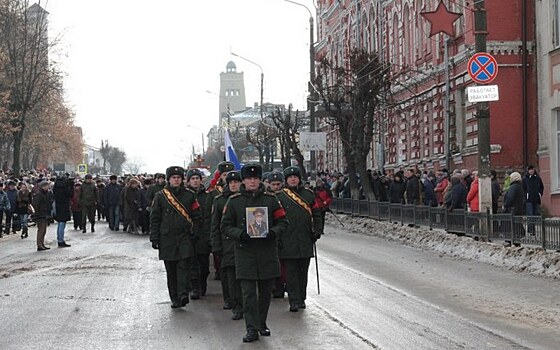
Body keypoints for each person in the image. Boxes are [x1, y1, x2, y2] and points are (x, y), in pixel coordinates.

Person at [221, 163, 288, 343]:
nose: (252, 181)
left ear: (260, 180)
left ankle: (261, 323)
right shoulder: (234, 201)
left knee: (266, 292)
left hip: (267, 251)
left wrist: (273, 232)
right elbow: (225, 226)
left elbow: (283, 221)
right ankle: (251, 328)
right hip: (245, 253)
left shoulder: (271, 199)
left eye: (256, 178)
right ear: (243, 180)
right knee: (249, 293)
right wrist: (240, 234)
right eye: (249, 178)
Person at [150, 166, 201, 309]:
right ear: (169, 179)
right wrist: (154, 237)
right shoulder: (160, 196)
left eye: (178, 177)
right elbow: (155, 218)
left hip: (184, 237)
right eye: (173, 177)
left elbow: (197, 217)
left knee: (184, 266)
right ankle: (174, 297)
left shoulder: (190, 195)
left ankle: (183, 294)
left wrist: (195, 233)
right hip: (166, 238)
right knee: (171, 270)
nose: (176, 180)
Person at [275, 166, 323, 312]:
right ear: (286, 180)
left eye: (295, 177)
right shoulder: (280, 196)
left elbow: (317, 214)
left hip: (305, 239)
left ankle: (301, 297)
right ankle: (294, 300)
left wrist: (317, 231)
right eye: (290, 177)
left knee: (303, 271)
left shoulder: (309, 195)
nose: (293, 179)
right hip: (287, 239)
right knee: (291, 273)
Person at [210, 170, 243, 319]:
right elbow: (215, 225)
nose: (234, 184)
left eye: (237, 182)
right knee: (230, 276)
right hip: (227, 243)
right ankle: (233, 302)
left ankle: (243, 304)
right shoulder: (219, 200)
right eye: (231, 182)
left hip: (244, 243)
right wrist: (216, 245)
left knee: (243, 276)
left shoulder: (246, 198)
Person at [205, 161, 234, 283]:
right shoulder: (213, 194)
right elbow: (209, 216)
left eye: (229, 174)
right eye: (224, 175)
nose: (227, 177)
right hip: (220, 231)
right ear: (220, 176)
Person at [186, 168, 210, 300]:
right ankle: (195, 287)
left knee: (204, 264)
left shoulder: (207, 196)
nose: (195, 181)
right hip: (189, 235)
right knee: (192, 263)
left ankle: (202, 283)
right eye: (192, 179)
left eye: (197, 178)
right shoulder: (184, 196)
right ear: (188, 181)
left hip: (203, 235)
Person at [32, 181, 54, 251]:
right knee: (41, 230)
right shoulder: (39, 194)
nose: (48, 187)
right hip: (40, 214)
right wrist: (37, 212)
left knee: (44, 230)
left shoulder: (46, 193)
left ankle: (42, 243)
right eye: (47, 186)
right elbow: (35, 204)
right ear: (43, 186)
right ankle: (39, 244)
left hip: (44, 213)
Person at [53, 175, 73, 247]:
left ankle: (60, 239)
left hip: (58, 206)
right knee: (62, 223)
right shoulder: (65, 188)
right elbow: (70, 194)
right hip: (64, 206)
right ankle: (61, 240)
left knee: (60, 223)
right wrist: (71, 186)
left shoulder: (56, 187)